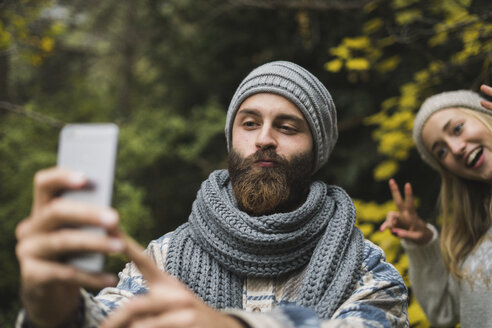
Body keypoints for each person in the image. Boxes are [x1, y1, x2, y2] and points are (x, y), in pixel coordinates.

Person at [16, 61, 409, 328]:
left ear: (316, 153)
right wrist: (56, 310)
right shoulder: (163, 257)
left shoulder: (365, 267)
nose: (264, 140)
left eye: (287, 127)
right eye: (249, 123)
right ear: (232, 138)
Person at [380, 84, 492, 327]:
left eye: (457, 128)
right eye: (441, 151)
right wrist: (424, 246)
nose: (455, 148)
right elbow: (443, 313)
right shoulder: (474, 239)